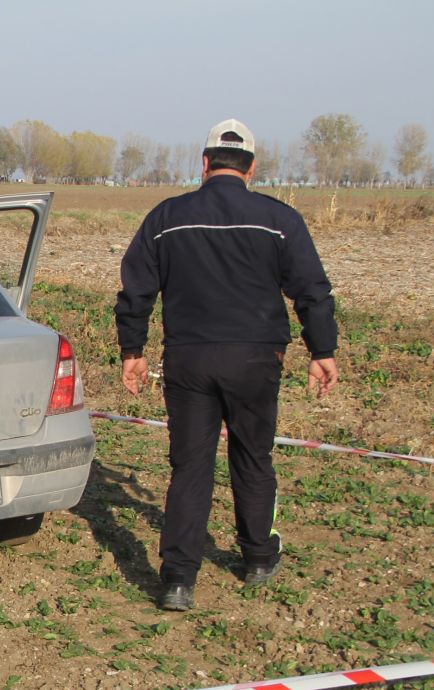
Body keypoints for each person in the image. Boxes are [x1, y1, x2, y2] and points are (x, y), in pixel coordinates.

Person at [115, 119, 339, 612]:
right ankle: (258, 557)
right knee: (253, 456)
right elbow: (312, 290)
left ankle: (177, 581)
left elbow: (135, 291)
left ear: (204, 163)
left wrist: (133, 351)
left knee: (190, 467)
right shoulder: (280, 219)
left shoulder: (167, 217)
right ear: (252, 168)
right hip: (257, 358)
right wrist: (322, 351)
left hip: (189, 359)